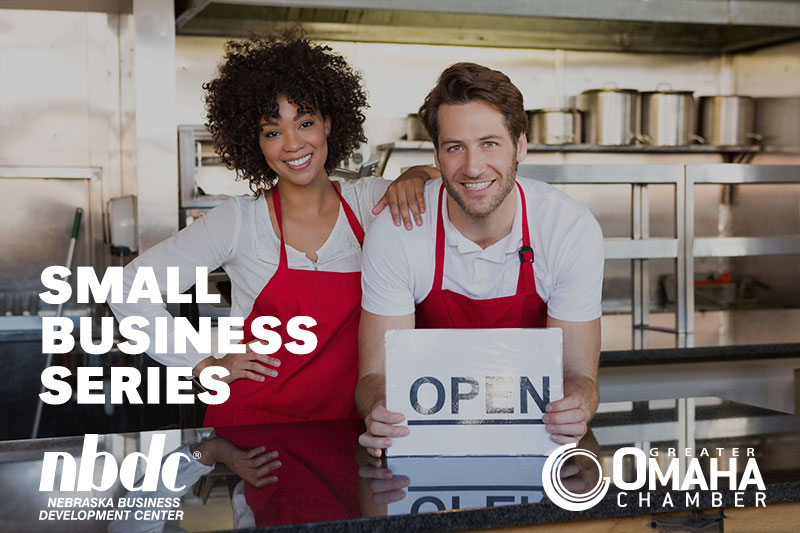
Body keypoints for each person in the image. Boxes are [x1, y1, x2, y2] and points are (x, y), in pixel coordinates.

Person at [109, 28, 436, 427]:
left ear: (329, 123)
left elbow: (448, 191)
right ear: (256, 143)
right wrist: (205, 365)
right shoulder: (238, 221)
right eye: (273, 132)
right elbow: (126, 288)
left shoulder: (369, 203)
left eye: (305, 122)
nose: (293, 144)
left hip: (350, 425)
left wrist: (418, 173)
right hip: (255, 433)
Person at [356, 63, 604, 457]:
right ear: (436, 155)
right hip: (425, 442)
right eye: (455, 147)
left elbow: (579, 374)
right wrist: (379, 408)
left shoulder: (568, 228)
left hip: (535, 441)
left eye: (489, 143)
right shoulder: (399, 230)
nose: (472, 167)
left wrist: (577, 404)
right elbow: (374, 374)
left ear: (520, 145)